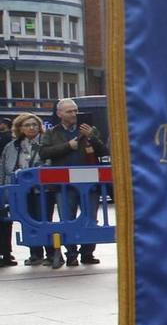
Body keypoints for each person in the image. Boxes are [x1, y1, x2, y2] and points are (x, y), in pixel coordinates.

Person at [38, 97, 108, 266]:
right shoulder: (52, 133)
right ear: (59, 113)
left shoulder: (90, 129)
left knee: (90, 218)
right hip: (64, 185)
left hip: (90, 183)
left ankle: (87, 253)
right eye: (69, 111)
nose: (74, 114)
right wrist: (68, 146)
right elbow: (44, 152)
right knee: (67, 219)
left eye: (75, 110)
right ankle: (71, 254)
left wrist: (92, 137)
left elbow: (103, 151)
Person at [3, 115, 46, 267]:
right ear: (20, 128)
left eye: (34, 124)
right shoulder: (12, 146)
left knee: (43, 220)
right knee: (27, 222)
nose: (31, 128)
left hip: (41, 190)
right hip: (20, 191)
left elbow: (49, 163)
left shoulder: (45, 143)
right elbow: (5, 169)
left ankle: (51, 252)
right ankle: (34, 253)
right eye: (27, 125)